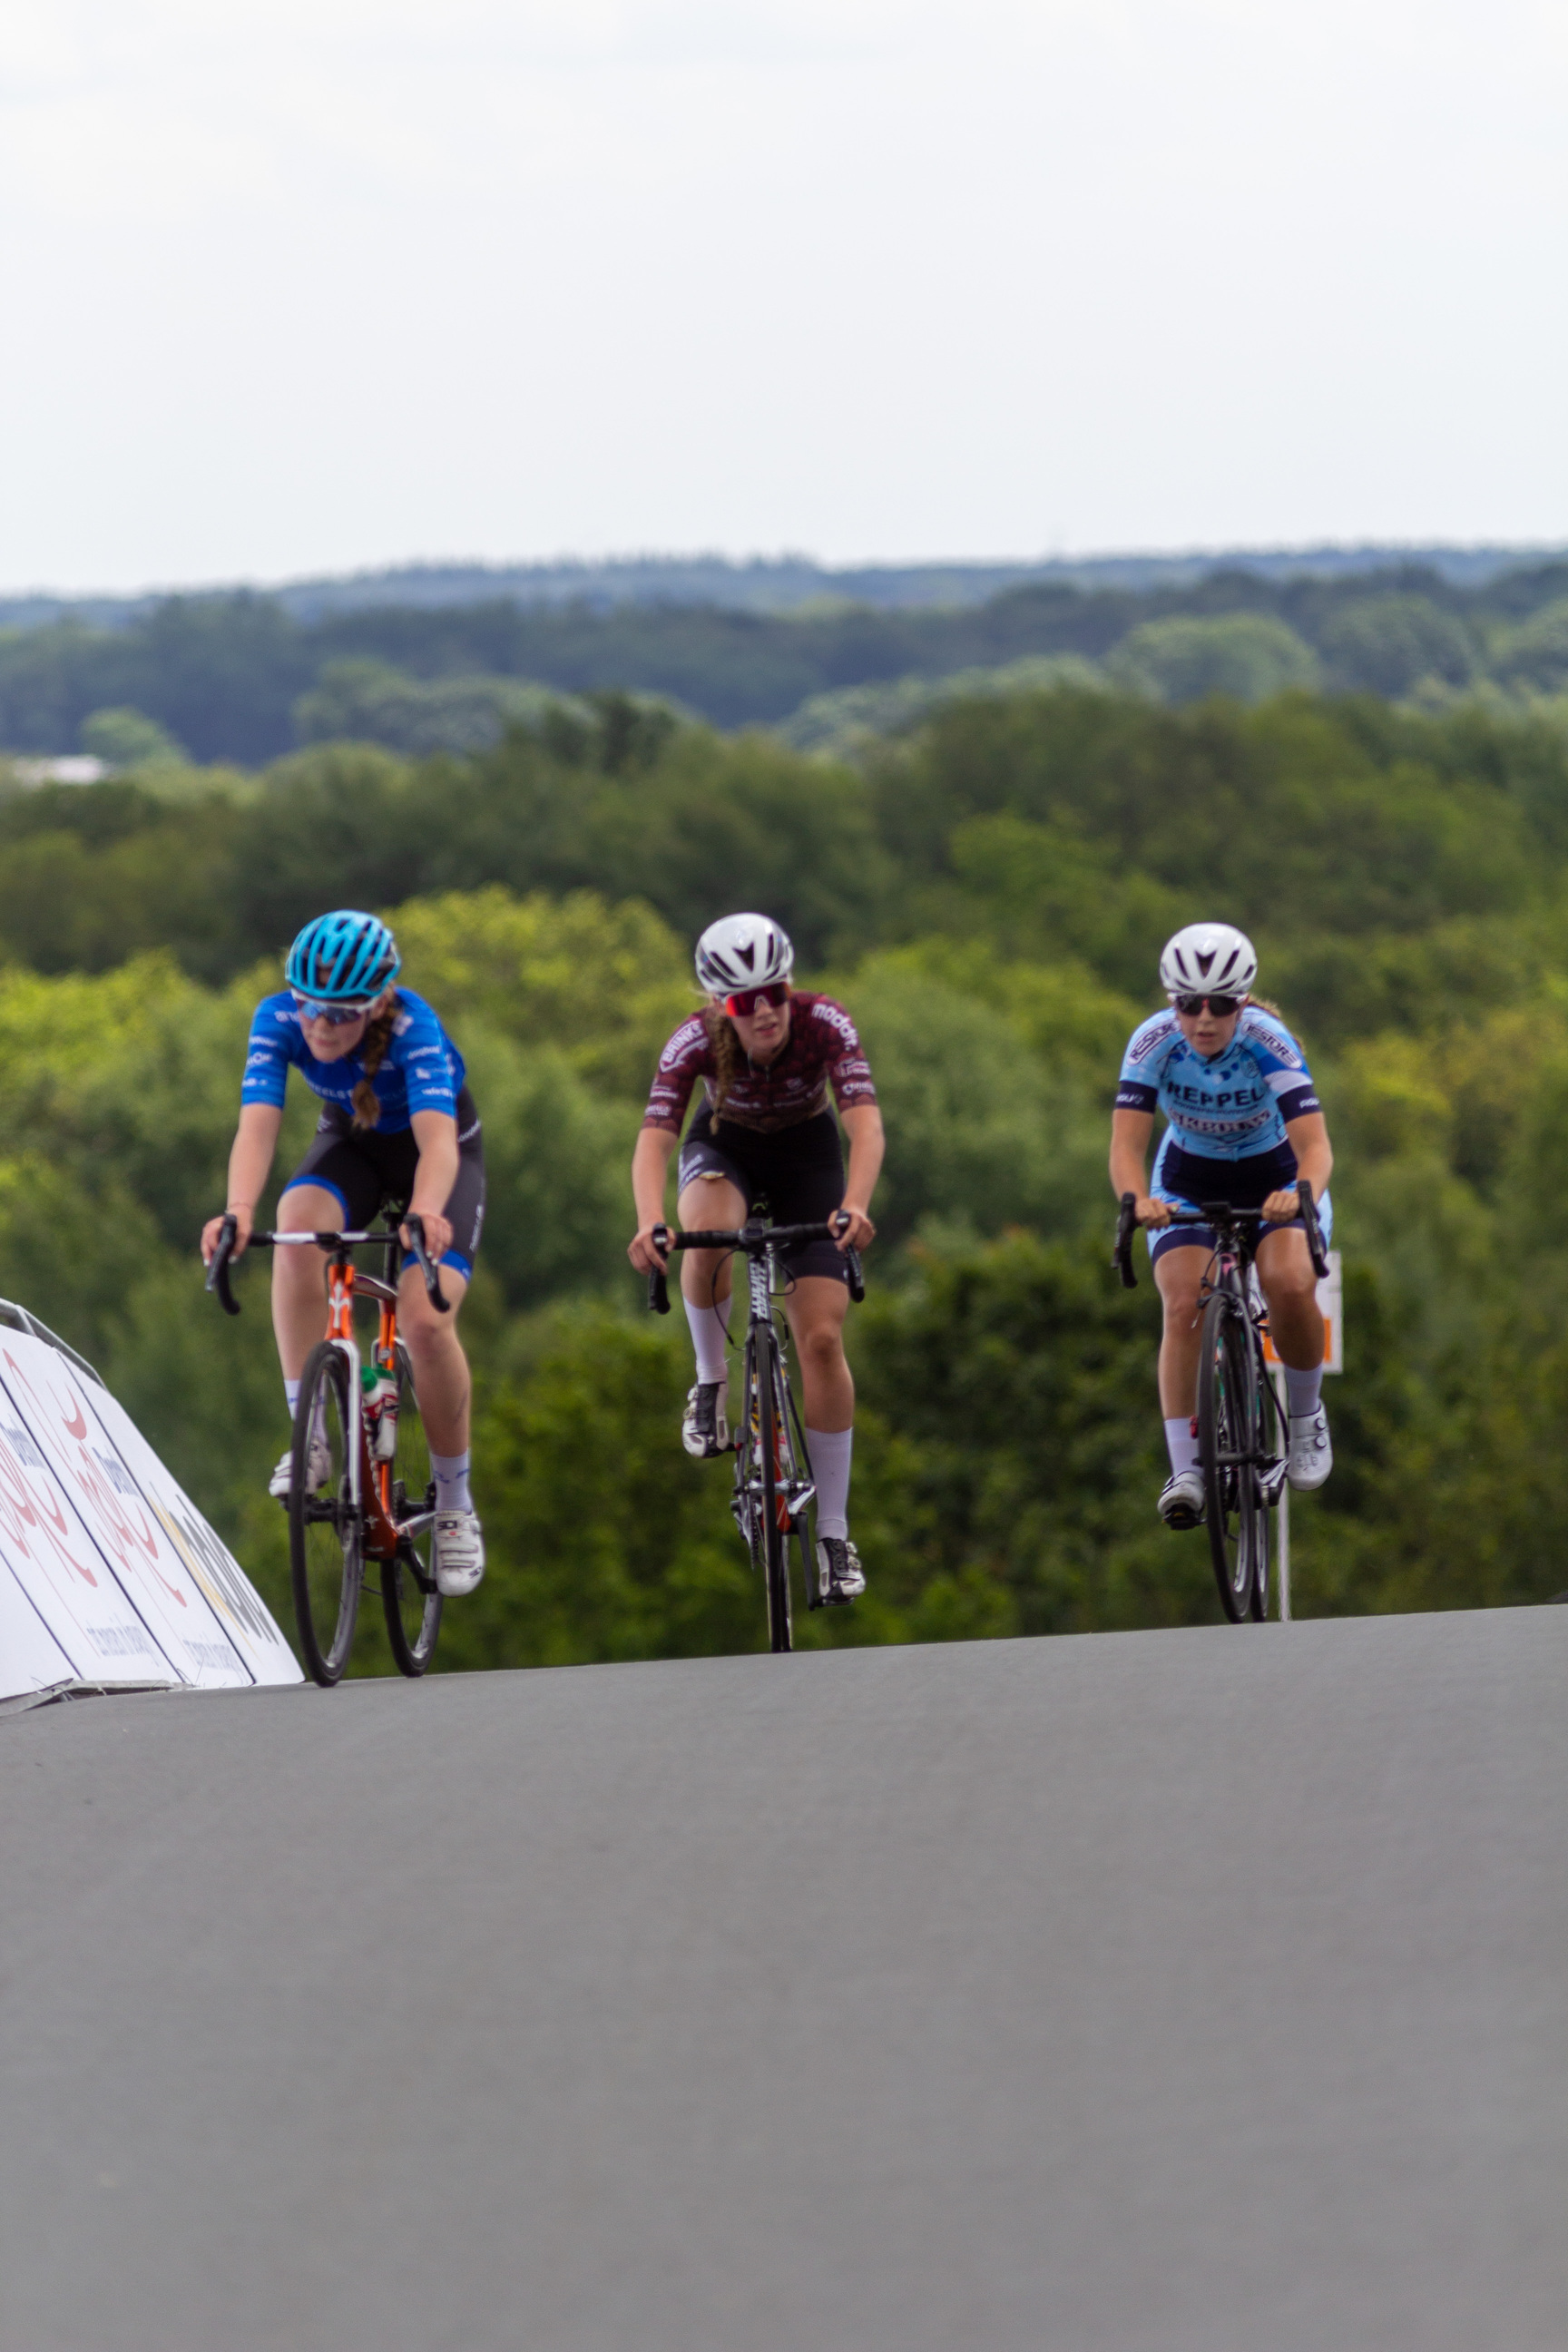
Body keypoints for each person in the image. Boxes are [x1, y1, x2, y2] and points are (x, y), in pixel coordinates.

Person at [200, 909, 486, 1597]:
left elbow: (438, 1146)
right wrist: (237, 1214)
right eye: (309, 1008)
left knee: (424, 1322)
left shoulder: (416, 1029)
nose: (321, 1026)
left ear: (380, 1002)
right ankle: (313, 1435)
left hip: (434, 1157)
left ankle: (454, 1504)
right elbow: (257, 1129)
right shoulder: (275, 1020)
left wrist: (423, 1213)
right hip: (351, 1147)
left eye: (342, 1015)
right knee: (294, 1228)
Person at [627, 912, 884, 1605]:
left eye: (774, 992)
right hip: (726, 1148)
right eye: (744, 1002)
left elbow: (864, 1123)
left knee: (823, 1339)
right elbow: (656, 1138)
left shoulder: (826, 1024)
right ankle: (711, 1380)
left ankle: (833, 1532)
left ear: (789, 984)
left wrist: (855, 1205)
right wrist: (650, 1221)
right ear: (719, 1006)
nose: (764, 1011)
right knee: (705, 1227)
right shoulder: (691, 1043)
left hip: (808, 1155)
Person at [1109, 921, 1335, 1529]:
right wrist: (1138, 1199)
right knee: (1183, 1300)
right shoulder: (1153, 1042)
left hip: (1276, 1177)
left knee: (1289, 1284)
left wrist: (1298, 1194)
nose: (1203, 1019)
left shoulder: (1269, 1040)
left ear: (1242, 1003)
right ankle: (1185, 1468)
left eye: (1219, 1005)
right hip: (1189, 1179)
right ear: (1171, 1002)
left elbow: (1317, 1147)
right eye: (1188, 1004)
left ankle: (1307, 1418)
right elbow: (1125, 1148)